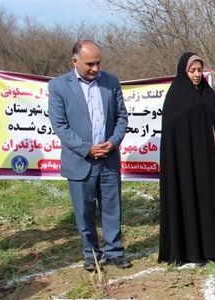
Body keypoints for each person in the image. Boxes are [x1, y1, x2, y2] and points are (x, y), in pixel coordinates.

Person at [48, 39, 130, 271]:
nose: (95, 69)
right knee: (84, 211)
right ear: (75, 61)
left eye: (98, 63)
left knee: (113, 207)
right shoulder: (58, 86)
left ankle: (115, 251)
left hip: (108, 158)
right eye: (89, 64)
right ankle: (91, 253)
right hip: (80, 161)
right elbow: (60, 125)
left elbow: (122, 118)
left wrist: (113, 143)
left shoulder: (111, 82)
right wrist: (87, 148)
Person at [158, 52, 215, 264]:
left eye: (200, 70)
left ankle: (213, 248)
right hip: (186, 165)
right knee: (190, 203)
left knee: (210, 202)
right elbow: (174, 136)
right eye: (192, 71)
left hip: (209, 162)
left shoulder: (207, 94)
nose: (197, 74)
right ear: (184, 71)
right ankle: (192, 251)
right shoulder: (175, 98)